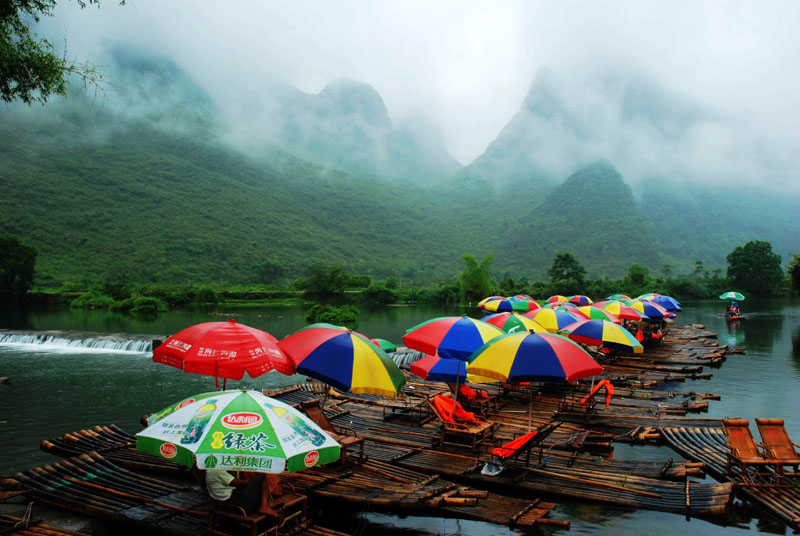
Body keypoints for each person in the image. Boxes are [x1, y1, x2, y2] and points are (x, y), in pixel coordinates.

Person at [205, 469, 283, 516]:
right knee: (263, 477)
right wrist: (250, 482)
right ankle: (264, 506)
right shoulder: (216, 471)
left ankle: (265, 504)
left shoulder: (210, 470)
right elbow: (238, 483)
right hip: (236, 503)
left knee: (259, 481)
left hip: (231, 498)